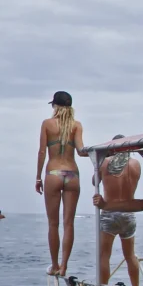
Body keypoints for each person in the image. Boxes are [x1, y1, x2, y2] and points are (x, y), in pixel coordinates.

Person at [36, 91, 88, 276]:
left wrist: (38, 177)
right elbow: (81, 151)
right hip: (72, 174)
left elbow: (42, 152)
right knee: (69, 224)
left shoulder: (47, 124)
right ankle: (65, 266)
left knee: (53, 224)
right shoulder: (77, 126)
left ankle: (55, 266)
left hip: (53, 173)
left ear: (55, 106)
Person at [94, 135, 142, 286]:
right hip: (128, 213)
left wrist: (104, 159)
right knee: (130, 255)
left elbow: (95, 181)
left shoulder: (104, 163)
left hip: (109, 212)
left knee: (104, 256)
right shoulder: (136, 165)